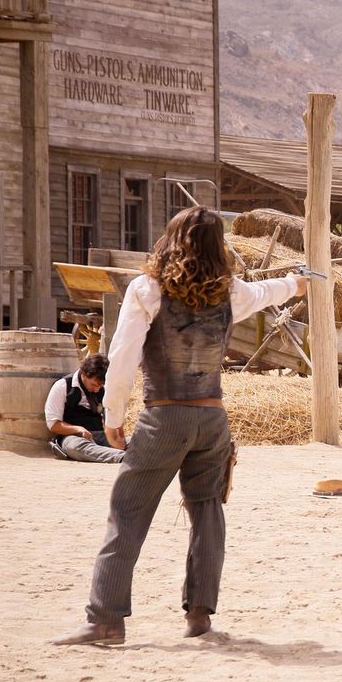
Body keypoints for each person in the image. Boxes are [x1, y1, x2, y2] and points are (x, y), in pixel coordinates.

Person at [51, 207, 305, 647]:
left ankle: (106, 620)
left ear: (169, 241)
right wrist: (299, 283)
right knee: (207, 512)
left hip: (164, 416)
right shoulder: (231, 292)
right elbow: (268, 291)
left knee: (128, 512)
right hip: (212, 418)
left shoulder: (147, 289)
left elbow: (124, 356)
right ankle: (199, 616)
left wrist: (113, 417)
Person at [45, 353, 124, 464]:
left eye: (100, 386)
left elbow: (113, 416)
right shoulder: (62, 386)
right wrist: (78, 429)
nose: (97, 390)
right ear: (84, 374)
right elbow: (53, 425)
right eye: (94, 385)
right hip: (73, 437)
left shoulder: (103, 388)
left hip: (100, 435)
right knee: (74, 447)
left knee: (136, 441)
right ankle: (122, 457)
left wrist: (118, 436)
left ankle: (122, 454)